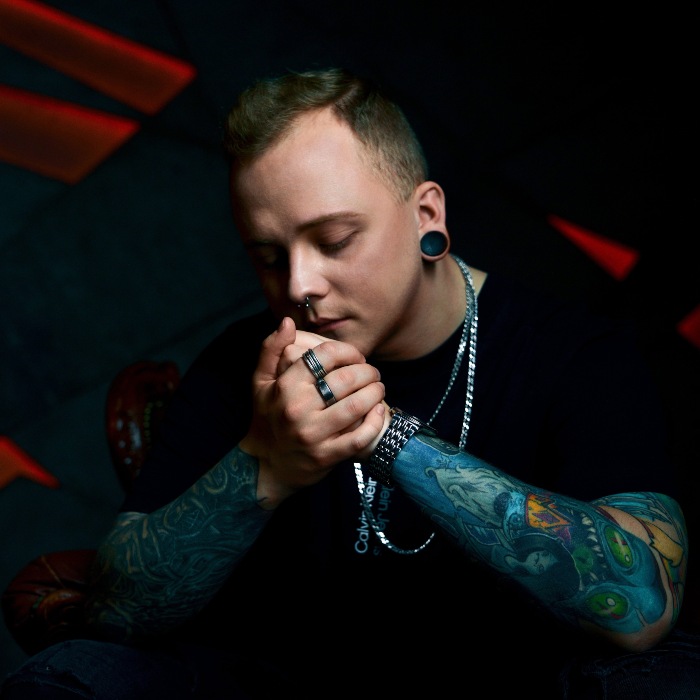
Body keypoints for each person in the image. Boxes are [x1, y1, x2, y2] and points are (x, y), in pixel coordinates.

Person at [2, 67, 698, 699]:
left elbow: (642, 606)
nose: (298, 285)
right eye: (269, 257)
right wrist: (266, 462)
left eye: (334, 241)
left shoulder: (576, 355)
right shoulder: (242, 363)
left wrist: (388, 438)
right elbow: (114, 611)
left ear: (427, 217)